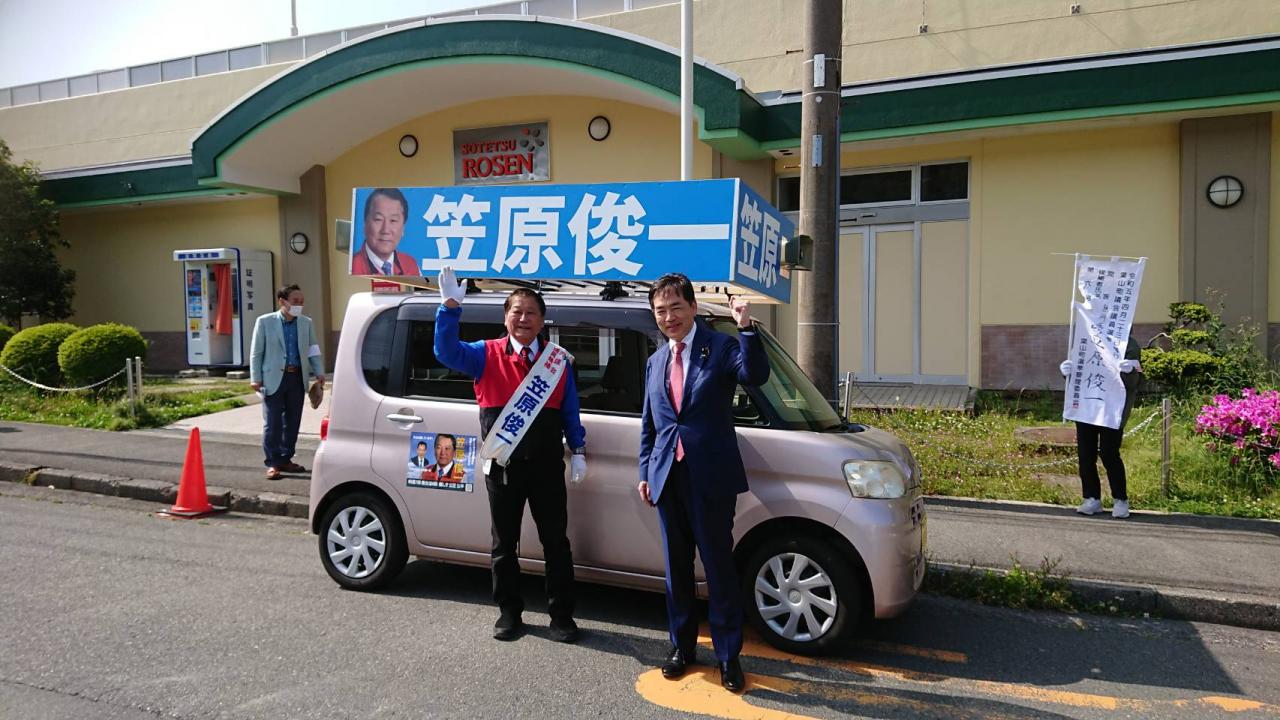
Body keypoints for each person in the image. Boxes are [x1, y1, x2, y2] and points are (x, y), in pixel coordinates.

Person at [433, 266, 588, 643]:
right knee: (504, 543)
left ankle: (562, 615)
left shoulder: (557, 361)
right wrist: (449, 308)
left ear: (542, 320)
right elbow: (446, 351)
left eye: (531, 312)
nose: (523, 318)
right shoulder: (484, 355)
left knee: (556, 543)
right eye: (516, 311)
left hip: (547, 466)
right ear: (505, 318)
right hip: (503, 467)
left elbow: (570, 411)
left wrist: (578, 448)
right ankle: (508, 612)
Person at [637, 273, 769, 694]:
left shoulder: (721, 346)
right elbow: (651, 424)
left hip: (710, 477)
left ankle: (728, 656)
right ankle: (682, 647)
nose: (669, 317)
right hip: (667, 476)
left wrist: (745, 327)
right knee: (676, 569)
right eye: (660, 310)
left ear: (693, 308)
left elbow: (755, 374)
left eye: (676, 307)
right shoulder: (655, 361)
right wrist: (645, 472)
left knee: (718, 568)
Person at [1060, 336, 1141, 518]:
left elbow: (1135, 380)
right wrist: (1068, 372)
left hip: (1113, 408)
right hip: (1086, 405)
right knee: (1085, 454)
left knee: (1109, 453)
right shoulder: (1085, 336)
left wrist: (1129, 372)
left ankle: (1120, 499)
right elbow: (1079, 368)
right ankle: (1091, 498)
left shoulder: (1127, 342)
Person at [250, 284, 325, 480]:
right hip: (272, 378)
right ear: (282, 301)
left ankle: (285, 458)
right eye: (295, 301)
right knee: (272, 422)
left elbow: (313, 349)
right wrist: (255, 378)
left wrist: (319, 371)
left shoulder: (306, 323)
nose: (299, 305)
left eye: (302, 301)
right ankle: (272, 462)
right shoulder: (265, 322)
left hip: (297, 377)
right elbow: (256, 352)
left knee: (292, 421)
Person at [350, 188, 422, 276]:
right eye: (378, 219)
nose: (385, 230)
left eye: (393, 220)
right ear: (365, 224)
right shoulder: (352, 267)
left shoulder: (410, 265)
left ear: (403, 228)